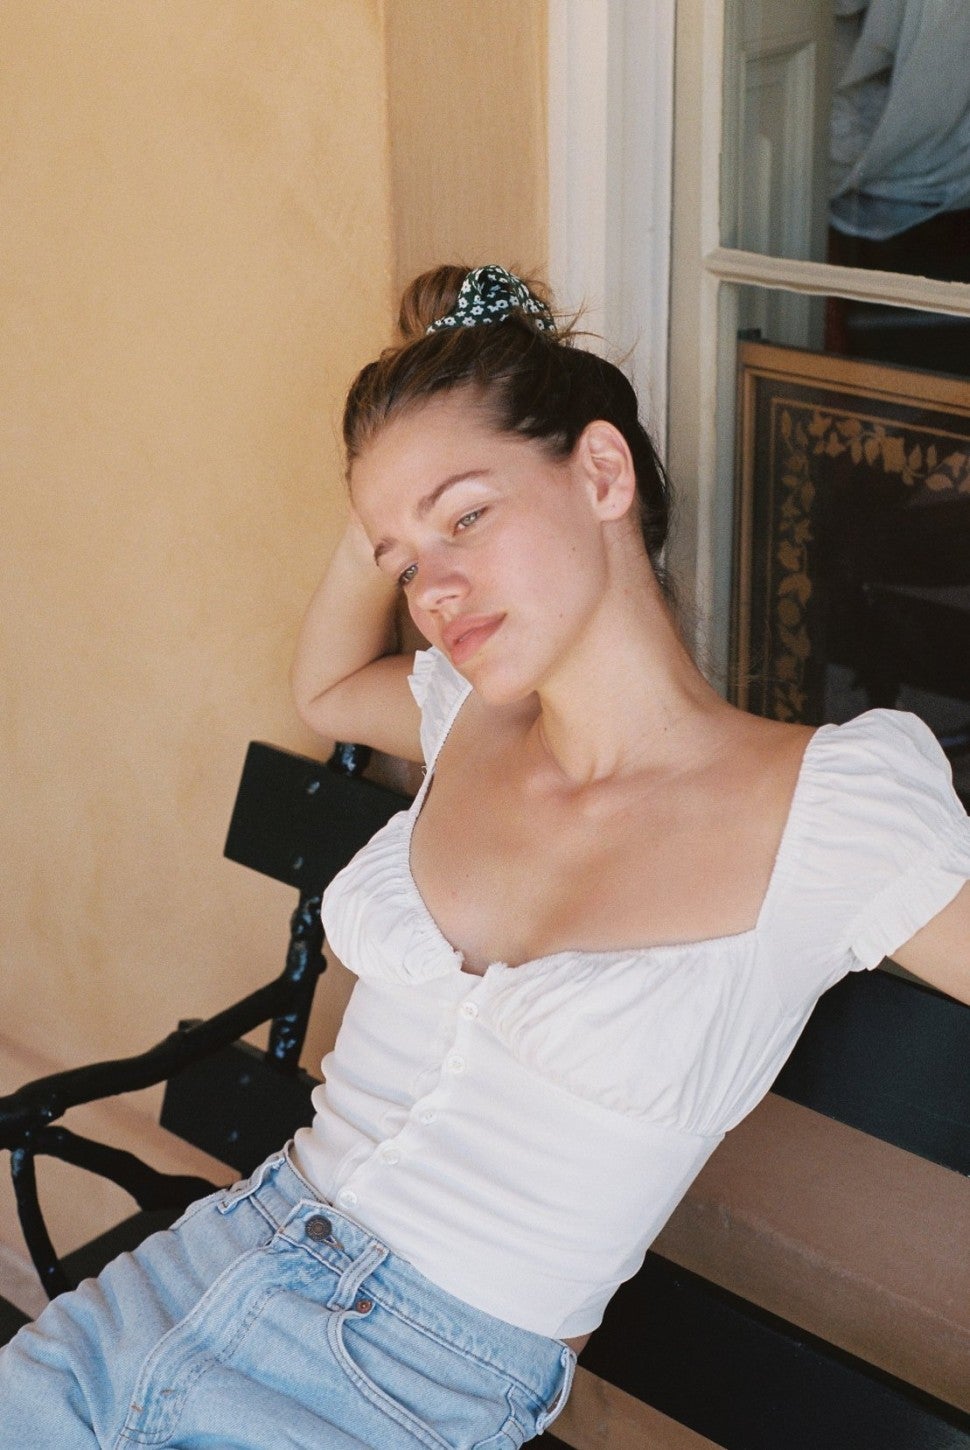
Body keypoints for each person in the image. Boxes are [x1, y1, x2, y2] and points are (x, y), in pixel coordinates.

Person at [1, 264, 968, 1448]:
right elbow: (323, 688)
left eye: (466, 516)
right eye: (403, 564)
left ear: (601, 472)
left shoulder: (831, 814)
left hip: (400, 1390)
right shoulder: (469, 717)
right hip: (187, 1277)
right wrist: (398, 487)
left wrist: (409, 480)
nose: (432, 590)